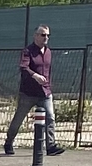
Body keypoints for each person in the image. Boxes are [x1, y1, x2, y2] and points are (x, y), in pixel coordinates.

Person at [4, 26, 61, 158]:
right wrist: (35, 76)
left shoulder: (48, 52)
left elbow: (47, 70)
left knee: (50, 117)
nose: (45, 38)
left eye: (47, 35)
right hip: (28, 93)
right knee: (19, 119)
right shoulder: (28, 51)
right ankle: (9, 142)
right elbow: (23, 67)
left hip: (45, 92)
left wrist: (48, 84)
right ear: (35, 36)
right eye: (42, 35)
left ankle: (51, 146)